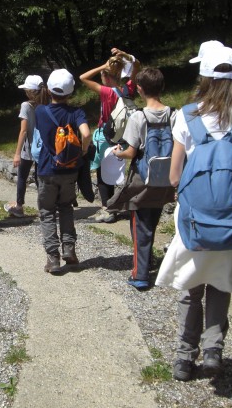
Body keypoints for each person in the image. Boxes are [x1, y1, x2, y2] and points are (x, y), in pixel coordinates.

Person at [155, 46, 232, 381]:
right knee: (221, 286)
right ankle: (213, 355)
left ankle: (182, 358)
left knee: (190, 290)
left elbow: (175, 176)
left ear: (203, 78)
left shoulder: (188, 115)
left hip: (194, 222)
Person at [110, 67, 176, 290]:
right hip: (167, 178)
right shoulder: (174, 114)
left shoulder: (139, 116)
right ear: (163, 87)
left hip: (143, 181)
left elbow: (130, 151)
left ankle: (140, 275)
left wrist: (117, 152)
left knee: (140, 227)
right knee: (152, 223)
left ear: (139, 89)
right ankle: (147, 262)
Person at [36, 69, 91, 274]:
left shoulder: (40, 112)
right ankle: (69, 249)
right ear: (71, 92)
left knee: (47, 212)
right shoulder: (77, 113)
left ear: (49, 89)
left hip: (47, 169)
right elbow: (86, 133)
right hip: (69, 171)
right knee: (66, 207)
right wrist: (82, 151)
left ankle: (53, 258)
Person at [79, 48, 140, 223]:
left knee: (103, 173)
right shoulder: (128, 89)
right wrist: (127, 56)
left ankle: (108, 209)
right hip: (125, 136)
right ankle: (117, 205)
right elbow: (136, 66)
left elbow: (83, 77)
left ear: (106, 77)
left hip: (106, 136)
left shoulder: (106, 92)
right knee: (116, 171)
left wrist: (102, 66)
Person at [4, 75, 50, 217]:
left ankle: (19, 207)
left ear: (30, 91)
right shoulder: (48, 103)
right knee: (40, 178)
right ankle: (46, 207)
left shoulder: (26, 106)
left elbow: (23, 130)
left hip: (29, 148)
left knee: (22, 176)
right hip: (44, 147)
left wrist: (17, 153)